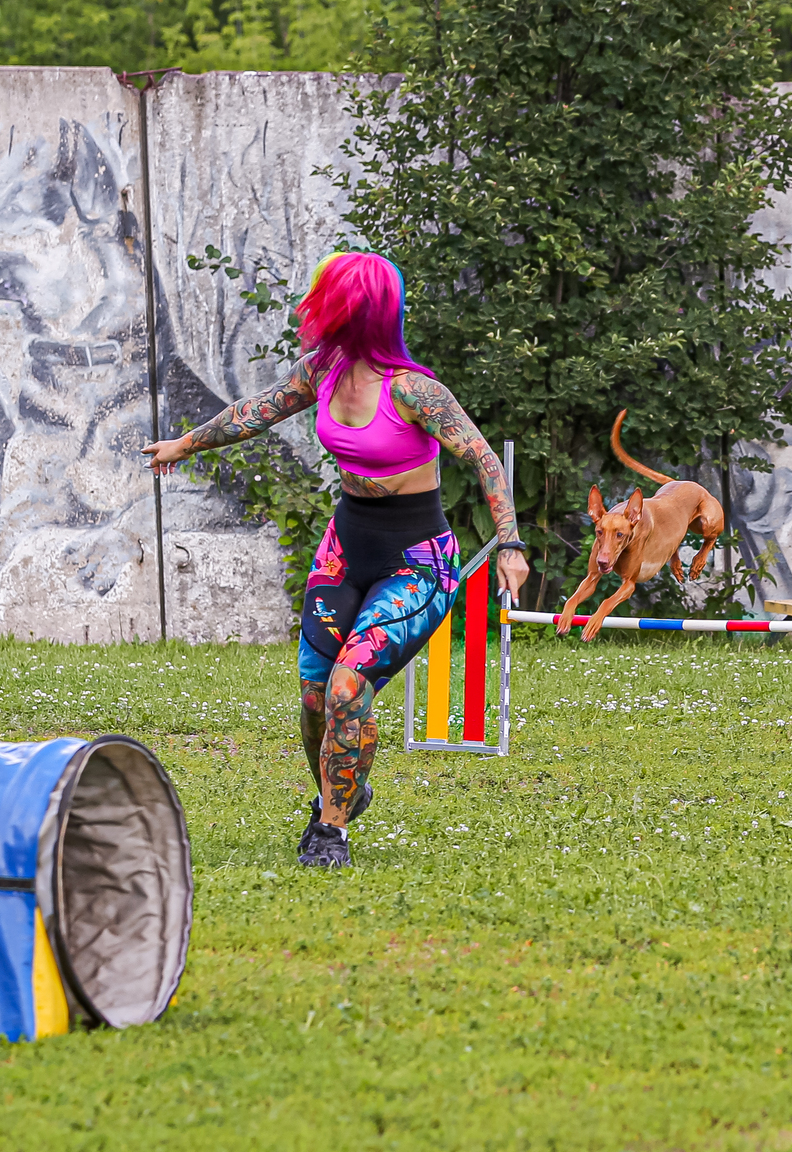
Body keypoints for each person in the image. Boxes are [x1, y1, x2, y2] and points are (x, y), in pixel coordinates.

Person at [143, 252, 527, 869]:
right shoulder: (321, 371)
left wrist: (509, 544)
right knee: (316, 697)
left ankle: (329, 829)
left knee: (351, 686)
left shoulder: (415, 391)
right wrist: (184, 444)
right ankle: (347, 784)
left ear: (357, 314)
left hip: (418, 562)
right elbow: (256, 412)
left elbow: (485, 461)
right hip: (346, 549)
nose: (314, 316)